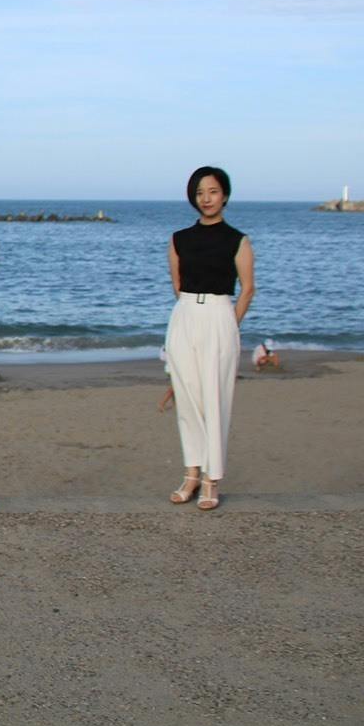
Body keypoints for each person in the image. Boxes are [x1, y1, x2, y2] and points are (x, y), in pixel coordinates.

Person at [165, 166, 255, 512]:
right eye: (200, 192)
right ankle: (191, 473)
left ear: (225, 195)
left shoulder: (238, 240)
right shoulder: (178, 239)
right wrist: (191, 314)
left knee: (215, 400)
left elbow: (247, 289)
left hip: (220, 315)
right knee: (187, 398)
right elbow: (177, 284)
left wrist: (229, 324)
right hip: (185, 315)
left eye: (213, 191)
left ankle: (211, 478)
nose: (206, 198)